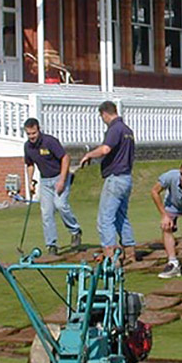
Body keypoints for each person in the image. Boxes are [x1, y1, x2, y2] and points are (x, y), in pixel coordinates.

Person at [79, 101, 136, 259]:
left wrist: (89, 155)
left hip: (116, 178)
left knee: (105, 218)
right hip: (126, 177)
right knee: (121, 216)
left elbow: (105, 149)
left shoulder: (115, 129)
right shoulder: (127, 130)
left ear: (105, 113)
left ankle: (111, 256)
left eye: (102, 116)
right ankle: (130, 251)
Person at [23, 118, 82, 253]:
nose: (32, 137)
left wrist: (62, 180)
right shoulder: (28, 146)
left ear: (39, 130)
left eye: (34, 133)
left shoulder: (49, 141)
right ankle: (51, 244)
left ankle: (75, 231)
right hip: (45, 181)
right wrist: (30, 182)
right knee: (46, 212)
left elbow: (65, 158)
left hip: (60, 176)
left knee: (61, 204)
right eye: (29, 134)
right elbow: (30, 164)